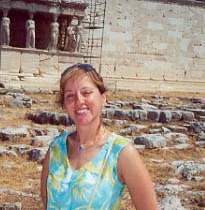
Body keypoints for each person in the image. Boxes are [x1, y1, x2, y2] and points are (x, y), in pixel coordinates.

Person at [41, 63, 158, 210]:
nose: (79, 101)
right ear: (64, 104)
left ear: (103, 98)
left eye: (86, 92)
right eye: (70, 95)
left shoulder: (121, 152)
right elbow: (47, 200)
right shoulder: (56, 148)